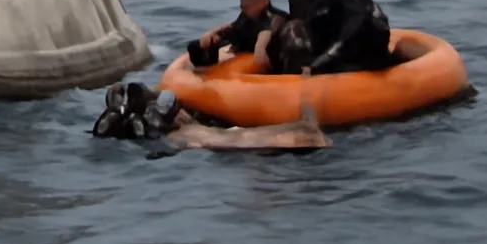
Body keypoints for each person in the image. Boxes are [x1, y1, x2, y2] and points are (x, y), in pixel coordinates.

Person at [90, 81, 330, 153]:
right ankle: (303, 128)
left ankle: (305, 135)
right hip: (183, 132)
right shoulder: (153, 106)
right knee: (231, 135)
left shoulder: (133, 119)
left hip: (180, 137)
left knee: (232, 139)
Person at [187, 0, 288, 70]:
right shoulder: (246, 14)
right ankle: (207, 68)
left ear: (264, 2)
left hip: (271, 49)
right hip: (246, 42)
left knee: (272, 45)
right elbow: (235, 28)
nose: (246, 10)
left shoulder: (277, 16)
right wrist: (212, 34)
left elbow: (267, 30)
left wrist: (260, 46)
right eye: (243, 7)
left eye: (250, 7)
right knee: (195, 45)